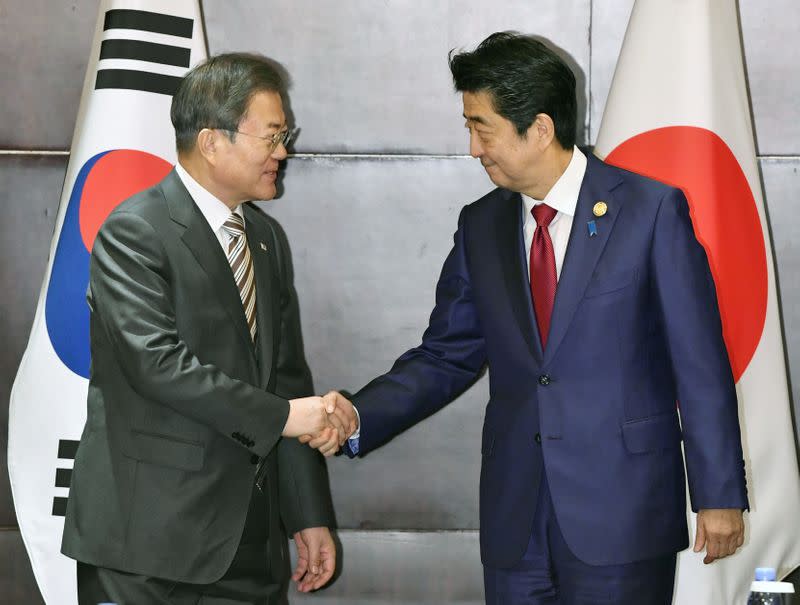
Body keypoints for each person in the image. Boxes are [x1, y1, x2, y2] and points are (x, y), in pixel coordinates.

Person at [316, 32, 749, 604]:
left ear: (539, 128)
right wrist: (358, 413)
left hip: (620, 512)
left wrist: (720, 493)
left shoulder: (650, 212)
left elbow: (700, 363)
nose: (473, 147)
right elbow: (446, 354)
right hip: (514, 520)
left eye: (482, 127)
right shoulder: (482, 225)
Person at [62, 53, 342, 605]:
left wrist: (306, 514)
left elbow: (286, 378)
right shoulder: (134, 231)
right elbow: (157, 365)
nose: (282, 152)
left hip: (249, 549)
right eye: (271, 136)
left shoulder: (265, 239)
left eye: (285, 135)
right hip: (147, 552)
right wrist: (287, 418)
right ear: (213, 142)